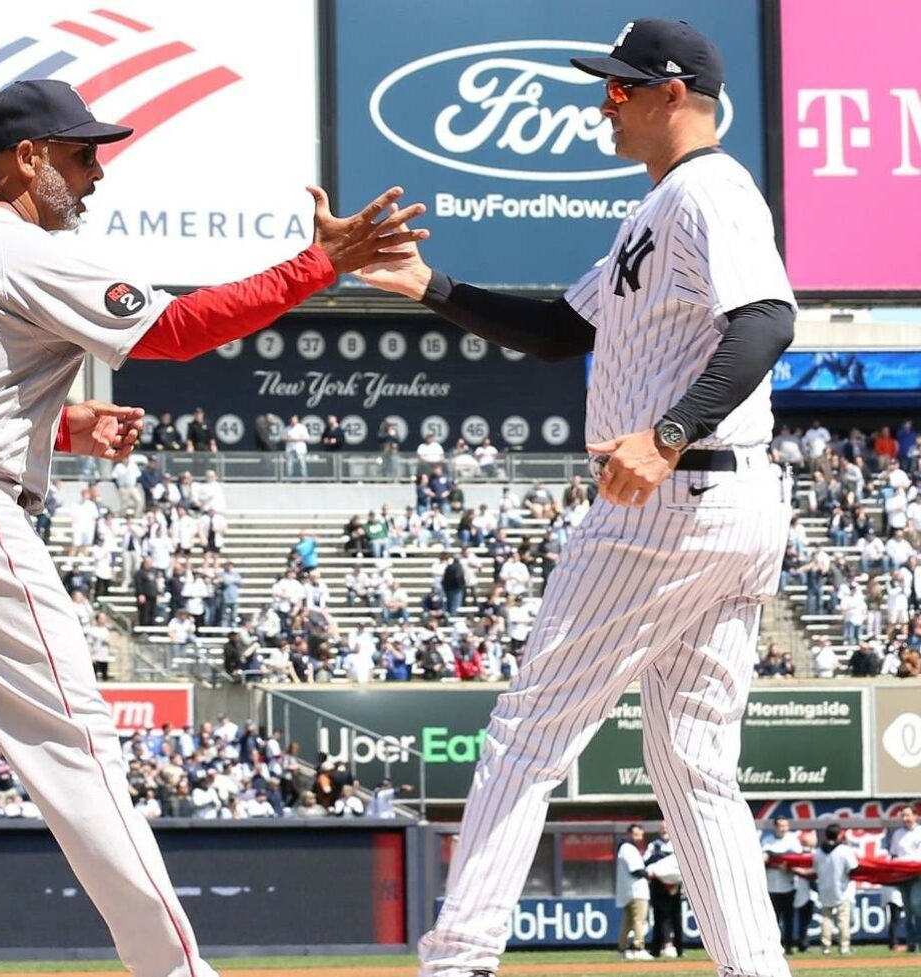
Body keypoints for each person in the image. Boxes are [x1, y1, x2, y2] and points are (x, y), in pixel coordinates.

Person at [0, 78, 427, 977]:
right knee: (76, 746)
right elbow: (176, 329)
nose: (96, 173)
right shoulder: (19, 247)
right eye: (80, 153)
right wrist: (316, 266)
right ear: (27, 159)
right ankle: (173, 969)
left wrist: (61, 427)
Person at [356, 18, 798, 977]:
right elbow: (561, 329)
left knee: (527, 730)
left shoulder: (710, 189)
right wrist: (427, 284)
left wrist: (668, 431)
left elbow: (768, 319)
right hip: (734, 505)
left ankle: (459, 957)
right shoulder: (660, 207)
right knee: (691, 764)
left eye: (619, 87)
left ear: (670, 93)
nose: (604, 103)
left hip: (672, 499)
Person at [813, 823, 858, 956]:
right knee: (843, 919)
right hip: (841, 888)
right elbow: (854, 867)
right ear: (839, 835)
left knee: (826, 919)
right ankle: (844, 947)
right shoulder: (844, 850)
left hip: (824, 888)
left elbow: (815, 869)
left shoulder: (818, 851)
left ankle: (826, 947)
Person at [761, 816, 803, 953]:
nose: (784, 829)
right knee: (772, 920)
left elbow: (798, 856)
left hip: (789, 885)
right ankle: (774, 946)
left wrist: (785, 862)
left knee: (788, 918)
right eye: (781, 826)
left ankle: (789, 945)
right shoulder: (767, 841)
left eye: (786, 826)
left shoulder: (792, 840)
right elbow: (763, 857)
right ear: (775, 827)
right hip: (771, 886)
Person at [644, 822, 683, 958]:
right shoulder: (653, 846)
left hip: (675, 886)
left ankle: (679, 949)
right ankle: (656, 949)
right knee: (660, 917)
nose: (665, 830)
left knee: (676, 917)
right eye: (662, 828)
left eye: (667, 828)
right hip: (659, 886)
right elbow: (646, 863)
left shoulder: (677, 844)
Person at [616, 824, 652, 960]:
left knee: (628, 921)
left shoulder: (627, 848)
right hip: (636, 890)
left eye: (641, 835)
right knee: (639, 920)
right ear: (629, 834)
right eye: (636, 834)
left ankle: (622, 949)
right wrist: (648, 874)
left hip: (629, 891)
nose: (639, 837)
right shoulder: (628, 848)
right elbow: (636, 869)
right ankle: (638, 947)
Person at [889, 804, 921, 952]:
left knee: (916, 905)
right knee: (907, 910)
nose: (905, 818)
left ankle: (919, 940)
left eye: (908, 815)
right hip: (903, 875)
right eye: (903, 815)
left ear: (915, 816)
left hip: (918, 874)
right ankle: (911, 943)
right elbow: (894, 854)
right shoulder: (897, 834)